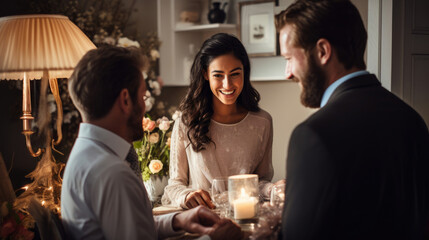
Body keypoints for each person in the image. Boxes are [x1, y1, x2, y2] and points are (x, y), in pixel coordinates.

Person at [275, 0, 429, 239]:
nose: (288, 73)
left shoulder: (314, 135)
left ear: (323, 51)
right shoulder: (413, 120)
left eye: (289, 59)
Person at [61, 46, 242, 240]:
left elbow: (129, 229)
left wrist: (178, 220)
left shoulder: (85, 154)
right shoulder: (113, 174)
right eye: (143, 96)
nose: (144, 105)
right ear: (125, 100)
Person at [162, 33, 283, 209]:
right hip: (202, 220)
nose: (227, 85)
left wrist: (274, 189)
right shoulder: (186, 122)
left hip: (245, 219)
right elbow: (174, 186)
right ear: (205, 74)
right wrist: (187, 195)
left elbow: (260, 182)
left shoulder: (262, 122)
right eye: (218, 75)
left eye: (235, 74)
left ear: (245, 72)